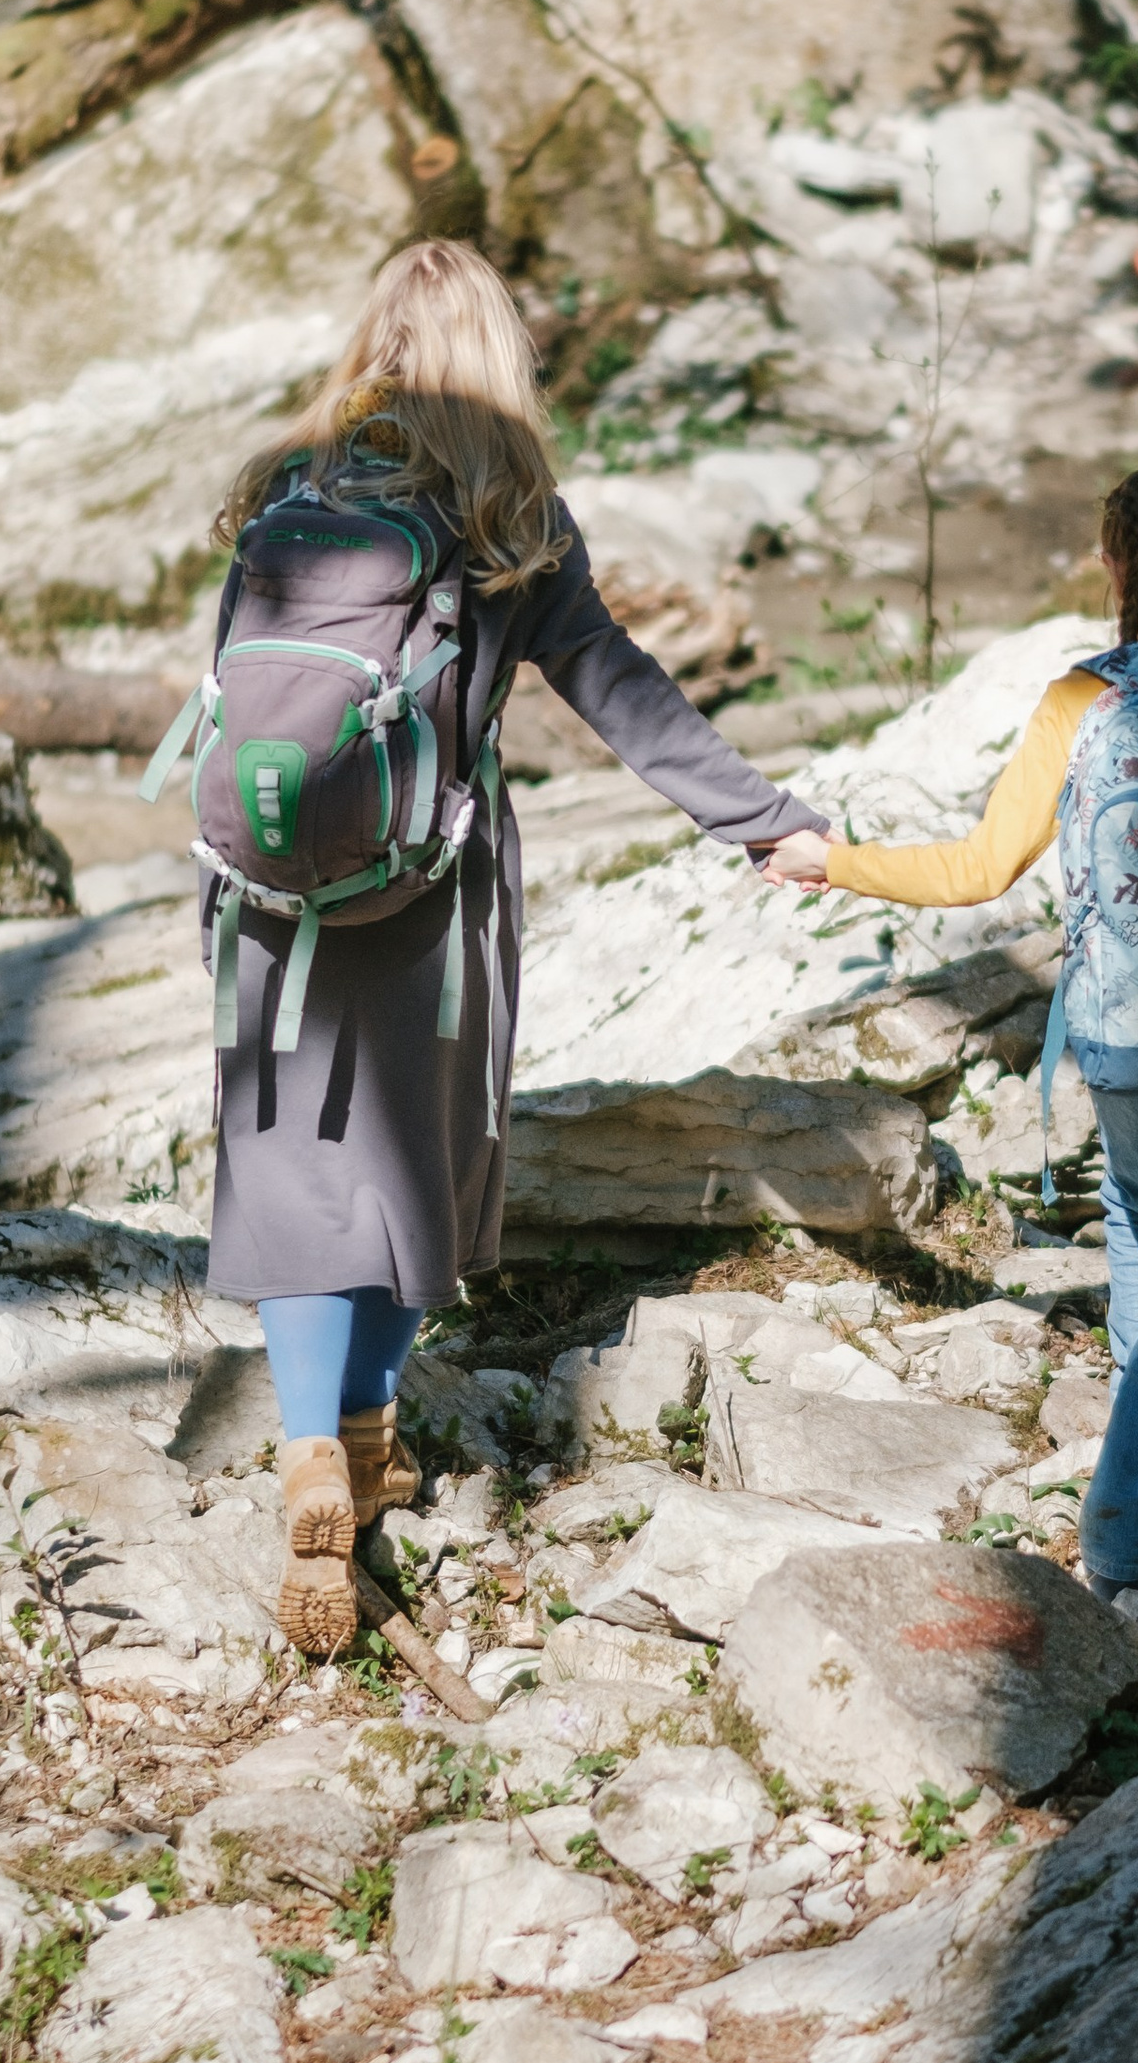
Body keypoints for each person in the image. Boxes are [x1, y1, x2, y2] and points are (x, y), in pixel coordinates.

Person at [182, 240, 830, 1657]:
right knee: (419, 1158)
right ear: (499, 358)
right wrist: (766, 823)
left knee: (294, 1158)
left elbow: (238, 706)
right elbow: (628, 697)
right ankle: (366, 1436)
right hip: (428, 886)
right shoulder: (508, 510)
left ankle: (310, 1449)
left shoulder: (283, 487)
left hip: (268, 893)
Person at [760, 462, 1138, 1599]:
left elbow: (979, 867)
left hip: (1120, 1038)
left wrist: (830, 861)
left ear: (1115, 562)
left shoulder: (1080, 699)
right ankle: (1124, 1540)